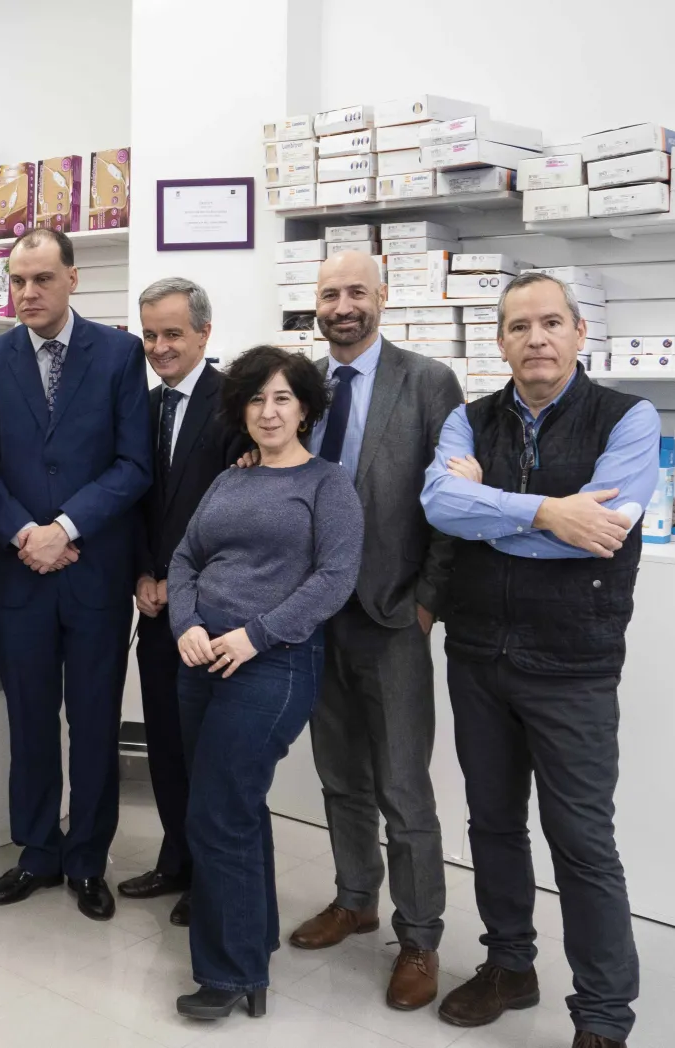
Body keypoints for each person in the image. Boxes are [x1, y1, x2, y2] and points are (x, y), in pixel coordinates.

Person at [422, 271, 658, 1048]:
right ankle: (510, 966)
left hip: (574, 663)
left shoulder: (627, 418)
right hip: (479, 654)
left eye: (551, 323)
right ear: (499, 342)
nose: (537, 339)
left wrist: (493, 513)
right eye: (519, 327)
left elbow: (607, 527)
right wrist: (551, 513)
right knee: (491, 823)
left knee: (583, 841)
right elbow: (439, 506)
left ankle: (602, 1015)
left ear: (579, 332)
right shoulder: (467, 419)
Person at [285, 251, 465, 1011]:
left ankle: (419, 937)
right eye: (330, 294)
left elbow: (455, 501)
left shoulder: (428, 382)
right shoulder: (299, 386)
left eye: (357, 291)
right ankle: (355, 898)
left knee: (402, 787)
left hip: (393, 617)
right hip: (316, 617)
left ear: (383, 298)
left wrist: (426, 603)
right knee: (340, 777)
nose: (343, 305)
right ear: (316, 305)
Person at [0, 227, 151, 921]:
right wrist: (22, 533)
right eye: (17, 281)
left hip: (94, 570)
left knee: (95, 721)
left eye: (41, 279)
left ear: (74, 278)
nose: (28, 293)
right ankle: (38, 851)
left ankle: (88, 858)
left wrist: (64, 528)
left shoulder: (121, 355)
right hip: (18, 575)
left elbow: (134, 465)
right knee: (31, 719)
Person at [170, 345, 363, 1022]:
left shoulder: (328, 485)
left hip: (273, 662)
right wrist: (185, 623)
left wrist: (253, 636)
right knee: (234, 806)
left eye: (283, 398)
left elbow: (335, 579)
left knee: (217, 811)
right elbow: (187, 557)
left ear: (306, 408)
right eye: (256, 399)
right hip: (199, 656)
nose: (269, 410)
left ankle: (228, 973)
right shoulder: (230, 478)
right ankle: (251, 953)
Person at [123, 277, 245, 928]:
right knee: (167, 742)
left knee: (207, 748)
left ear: (204, 331)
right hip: (154, 607)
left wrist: (180, 576)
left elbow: (230, 510)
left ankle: (209, 873)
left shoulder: (236, 406)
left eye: (173, 333)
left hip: (213, 610)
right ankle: (175, 859)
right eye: (150, 335)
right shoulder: (139, 407)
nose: (161, 347)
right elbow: (136, 498)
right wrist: (144, 571)